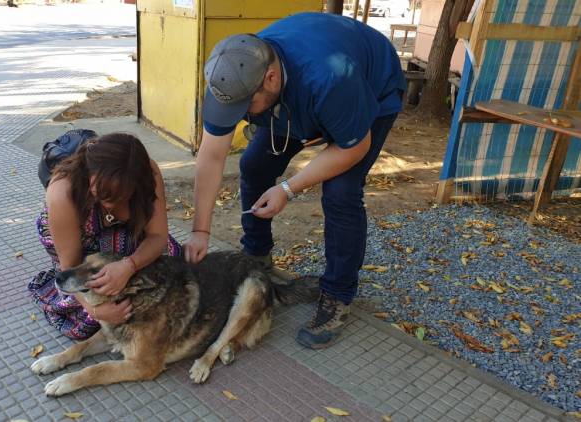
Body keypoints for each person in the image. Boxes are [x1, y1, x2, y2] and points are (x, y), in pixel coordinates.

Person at [183, 12, 406, 349]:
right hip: (299, 98)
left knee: (340, 193)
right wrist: (200, 230)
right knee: (255, 165)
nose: (241, 114)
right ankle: (257, 256)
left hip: (367, 91)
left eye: (247, 107)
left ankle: (337, 295)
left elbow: (353, 147)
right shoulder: (231, 79)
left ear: (270, 78)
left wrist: (288, 188)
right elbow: (211, 157)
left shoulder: (328, 79)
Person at [29, 132, 181, 339]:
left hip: (119, 238)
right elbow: (71, 267)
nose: (109, 204)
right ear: (88, 175)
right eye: (101, 194)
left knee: (173, 262)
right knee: (88, 323)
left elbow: (158, 236)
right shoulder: (62, 192)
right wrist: (95, 311)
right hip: (78, 245)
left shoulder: (148, 174)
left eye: (121, 196)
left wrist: (129, 266)